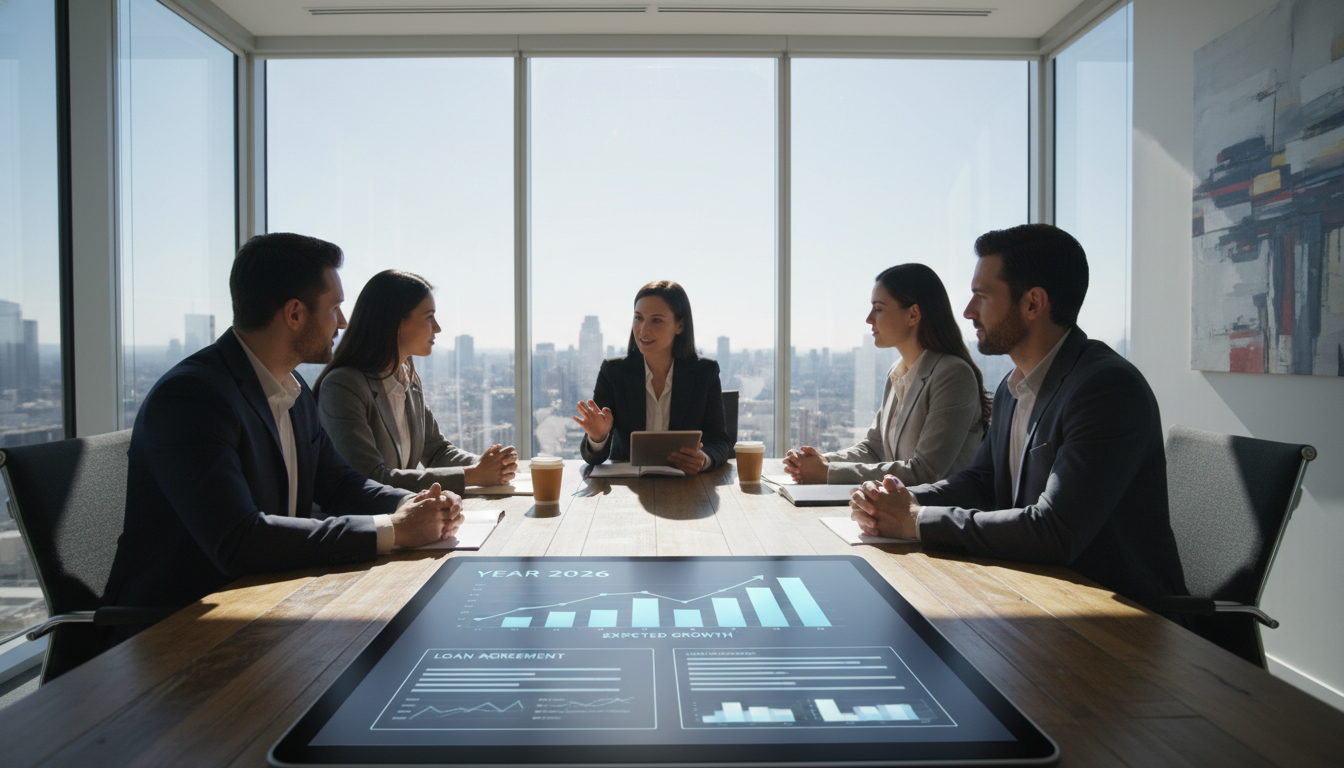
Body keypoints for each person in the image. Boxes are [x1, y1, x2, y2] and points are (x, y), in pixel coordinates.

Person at [105, 233, 465, 622]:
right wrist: (393, 530)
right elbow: (239, 540)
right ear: (294, 314)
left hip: (269, 604)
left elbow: (341, 482)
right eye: (335, 308)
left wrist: (408, 503)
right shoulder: (193, 398)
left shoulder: (291, 393)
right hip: (179, 627)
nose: (343, 322)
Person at [849, 224, 1186, 602]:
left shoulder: (1106, 389)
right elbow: (981, 482)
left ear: (1032, 304)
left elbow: (1054, 530)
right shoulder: (1015, 385)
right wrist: (896, 497)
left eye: (982, 296)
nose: (968, 311)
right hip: (1037, 594)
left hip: (1118, 617)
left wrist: (915, 520)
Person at [782, 263, 989, 486]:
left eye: (878, 309)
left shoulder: (953, 375)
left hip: (935, 515)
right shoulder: (898, 372)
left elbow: (925, 471)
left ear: (913, 314)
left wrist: (827, 473)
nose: (869, 318)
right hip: (895, 512)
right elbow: (874, 448)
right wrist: (821, 462)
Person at [314, 270, 518, 495]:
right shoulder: (344, 386)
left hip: (404, 517)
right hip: (361, 524)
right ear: (396, 323)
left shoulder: (408, 382)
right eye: (429, 317)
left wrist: (490, 465)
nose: (438, 328)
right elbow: (371, 477)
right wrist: (474, 474)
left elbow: (437, 451)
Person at [575, 280, 731, 474]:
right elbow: (593, 458)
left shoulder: (704, 372)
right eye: (638, 318)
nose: (643, 329)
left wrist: (704, 460)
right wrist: (598, 438)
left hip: (688, 488)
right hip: (626, 489)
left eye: (656, 320)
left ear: (680, 325)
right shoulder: (614, 372)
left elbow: (720, 441)